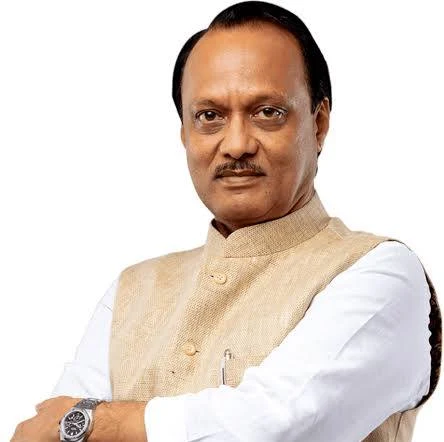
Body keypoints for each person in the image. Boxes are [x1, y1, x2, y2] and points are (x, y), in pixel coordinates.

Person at [11, 1, 441, 441]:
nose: (236, 144)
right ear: (185, 134)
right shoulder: (132, 290)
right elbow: (41, 433)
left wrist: (100, 422)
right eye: (209, 116)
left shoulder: (378, 273)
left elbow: (278, 426)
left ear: (319, 125)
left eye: (267, 112)